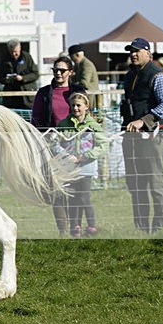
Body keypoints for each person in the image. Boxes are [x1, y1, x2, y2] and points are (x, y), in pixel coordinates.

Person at [120, 37, 163, 234]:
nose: (133, 54)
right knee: (136, 185)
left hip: (155, 136)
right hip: (132, 137)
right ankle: (141, 230)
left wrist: (143, 121)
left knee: (156, 184)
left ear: (148, 53)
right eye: (131, 51)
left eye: (137, 50)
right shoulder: (129, 76)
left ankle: (160, 231)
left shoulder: (158, 76)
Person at [31, 57, 85, 236]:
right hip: (52, 145)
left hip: (75, 144)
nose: (59, 73)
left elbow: (86, 114)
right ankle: (63, 230)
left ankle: (76, 228)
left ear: (70, 72)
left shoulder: (77, 91)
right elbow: (36, 119)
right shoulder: (45, 93)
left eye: (62, 70)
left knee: (77, 190)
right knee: (58, 190)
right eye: (56, 70)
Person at [54, 93, 109, 238]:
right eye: (73, 105)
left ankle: (91, 226)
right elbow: (55, 143)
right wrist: (67, 156)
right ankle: (75, 227)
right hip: (69, 169)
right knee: (72, 198)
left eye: (79, 105)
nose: (76, 108)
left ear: (86, 106)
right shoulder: (64, 124)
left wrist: (84, 157)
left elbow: (103, 145)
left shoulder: (93, 126)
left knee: (84, 198)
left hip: (86, 169)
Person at [0, 39, 39, 109]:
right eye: (11, 52)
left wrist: (23, 78)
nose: (14, 54)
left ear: (20, 48)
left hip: (27, 97)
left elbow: (35, 74)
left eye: (15, 52)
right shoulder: (4, 59)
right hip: (11, 98)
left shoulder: (27, 57)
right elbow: (0, 78)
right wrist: (7, 79)